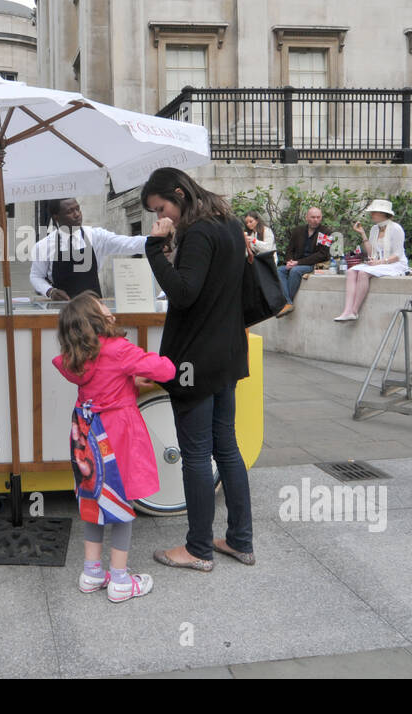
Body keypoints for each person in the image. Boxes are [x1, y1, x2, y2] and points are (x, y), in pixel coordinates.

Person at [140, 167, 254, 572]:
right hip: (226, 354)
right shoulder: (228, 223)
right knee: (226, 448)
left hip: (194, 361)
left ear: (178, 192)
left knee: (194, 454)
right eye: (156, 213)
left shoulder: (198, 232)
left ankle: (198, 548)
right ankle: (240, 541)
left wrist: (155, 249)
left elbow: (185, 294)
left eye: (163, 207)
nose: (163, 217)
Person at [54, 292, 175, 602]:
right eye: (103, 306)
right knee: (123, 504)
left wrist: (129, 383)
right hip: (118, 435)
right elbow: (166, 371)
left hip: (86, 434)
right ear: (96, 320)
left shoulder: (75, 359)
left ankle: (92, 573)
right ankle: (120, 579)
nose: (109, 308)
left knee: (93, 502)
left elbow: (101, 382)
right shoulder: (119, 349)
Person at [29, 197, 147, 300]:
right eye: (70, 211)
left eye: (77, 209)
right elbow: (36, 276)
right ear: (56, 217)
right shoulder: (43, 246)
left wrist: (158, 240)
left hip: (94, 309)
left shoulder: (96, 236)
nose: (77, 214)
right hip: (64, 311)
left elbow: (129, 243)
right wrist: (50, 291)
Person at [334, 199, 409, 322]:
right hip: (379, 263)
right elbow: (371, 253)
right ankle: (347, 310)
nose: (371, 214)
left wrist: (378, 262)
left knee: (363, 273)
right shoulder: (375, 229)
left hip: (395, 264)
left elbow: (398, 255)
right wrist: (363, 234)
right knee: (351, 271)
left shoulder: (396, 228)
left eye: (374, 212)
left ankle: (354, 311)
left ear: (383, 214)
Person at [276, 207, 331, 317]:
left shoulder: (325, 232)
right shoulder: (298, 231)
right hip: (296, 262)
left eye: (318, 217)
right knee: (279, 271)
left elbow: (322, 254)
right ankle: (288, 303)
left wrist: (298, 263)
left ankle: (287, 302)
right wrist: (290, 261)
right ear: (307, 218)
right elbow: (290, 249)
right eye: (313, 217)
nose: (316, 220)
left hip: (313, 264)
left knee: (295, 271)